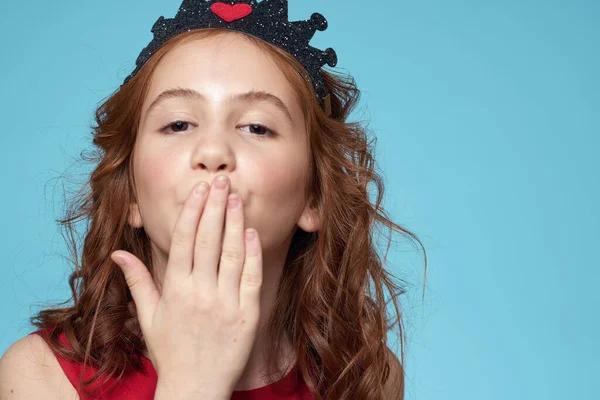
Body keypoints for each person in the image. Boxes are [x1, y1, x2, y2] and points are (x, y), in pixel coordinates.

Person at [0, 1, 427, 399]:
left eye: (257, 127)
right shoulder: (42, 375)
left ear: (313, 197)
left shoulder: (366, 377)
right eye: (179, 124)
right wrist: (193, 382)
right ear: (130, 193)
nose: (213, 153)